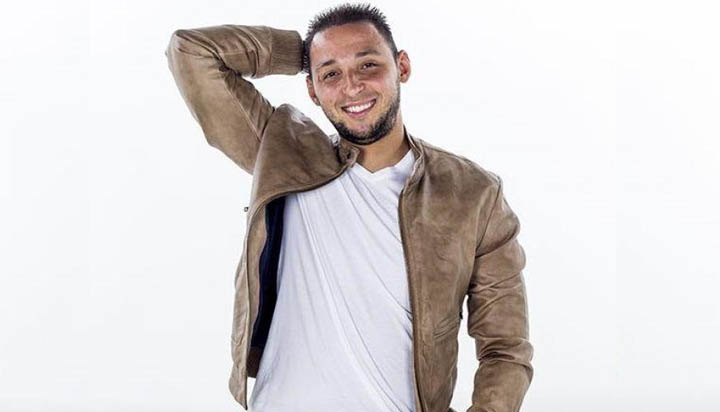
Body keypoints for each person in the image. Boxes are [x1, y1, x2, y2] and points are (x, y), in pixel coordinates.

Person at [165, 3, 533, 412]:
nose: (352, 87)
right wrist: (303, 52)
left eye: (367, 65)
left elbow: (505, 349)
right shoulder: (285, 158)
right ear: (312, 90)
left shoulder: (473, 193)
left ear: (402, 67)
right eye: (331, 75)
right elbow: (192, 52)